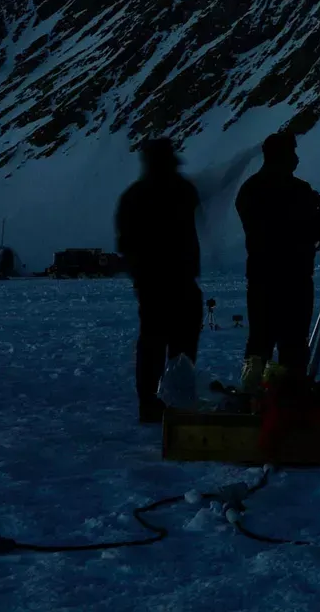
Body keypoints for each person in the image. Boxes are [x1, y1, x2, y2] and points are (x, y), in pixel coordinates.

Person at [114, 137, 203, 424]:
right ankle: (173, 400)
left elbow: (125, 244)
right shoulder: (180, 191)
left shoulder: (134, 197)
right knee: (179, 346)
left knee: (155, 345)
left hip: (155, 285)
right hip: (173, 282)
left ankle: (153, 403)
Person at [236, 131, 320, 391]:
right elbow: (314, 229)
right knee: (293, 344)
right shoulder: (299, 191)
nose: (297, 159)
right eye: (292, 153)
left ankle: (253, 396)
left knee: (259, 341)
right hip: (294, 279)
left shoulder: (250, 190)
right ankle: (290, 400)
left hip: (261, 279)